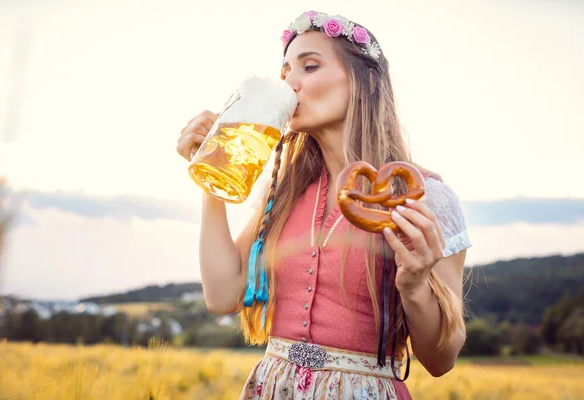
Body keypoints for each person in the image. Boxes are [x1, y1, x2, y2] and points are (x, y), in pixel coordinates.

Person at [177, 10, 472, 400]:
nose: (290, 84)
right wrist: (213, 171)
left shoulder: (421, 196)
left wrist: (415, 285)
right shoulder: (283, 190)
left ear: (363, 82)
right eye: (285, 74)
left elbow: (440, 360)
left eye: (309, 67)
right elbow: (221, 295)